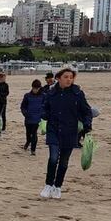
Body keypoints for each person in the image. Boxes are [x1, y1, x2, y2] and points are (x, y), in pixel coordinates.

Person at [39, 68, 93, 199]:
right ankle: (48, 185)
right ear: (58, 78)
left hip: (70, 131)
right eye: (66, 77)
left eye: (71, 77)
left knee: (63, 162)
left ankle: (57, 187)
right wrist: (44, 115)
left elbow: (87, 111)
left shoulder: (77, 94)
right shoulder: (51, 93)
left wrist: (87, 125)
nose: (69, 79)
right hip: (54, 129)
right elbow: (44, 108)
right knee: (53, 158)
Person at [20, 79, 45, 155]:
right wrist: (25, 113)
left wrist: (43, 114)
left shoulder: (43, 96)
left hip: (37, 119)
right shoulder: (27, 96)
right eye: (34, 88)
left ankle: (33, 150)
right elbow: (23, 106)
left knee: (34, 134)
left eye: (37, 88)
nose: (35, 90)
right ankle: (28, 142)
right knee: (28, 133)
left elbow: (46, 106)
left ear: (39, 88)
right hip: (28, 118)